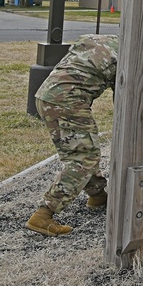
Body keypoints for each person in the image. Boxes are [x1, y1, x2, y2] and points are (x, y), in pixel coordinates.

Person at [25, 34, 119, 236]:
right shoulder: (125, 56)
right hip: (68, 100)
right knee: (84, 157)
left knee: (80, 149)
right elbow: (125, 98)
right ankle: (44, 214)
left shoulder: (96, 39)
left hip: (46, 95)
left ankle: (97, 195)